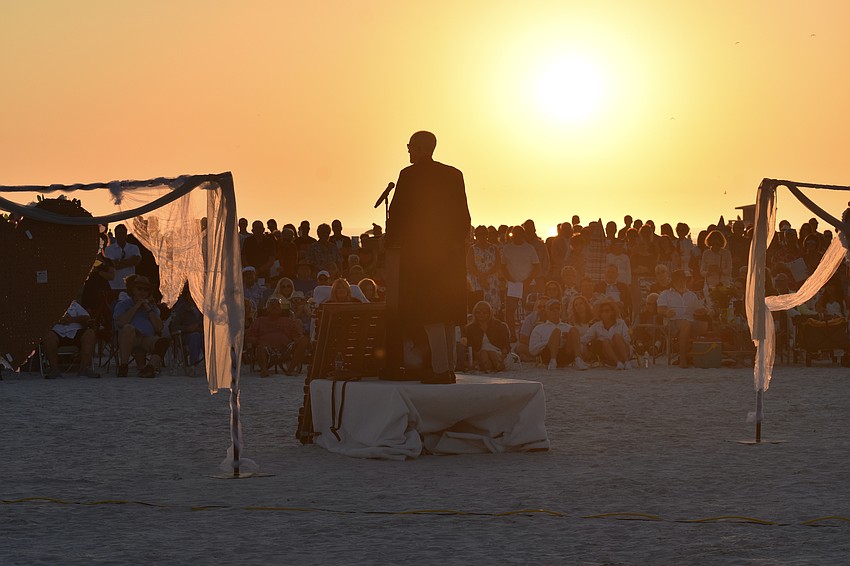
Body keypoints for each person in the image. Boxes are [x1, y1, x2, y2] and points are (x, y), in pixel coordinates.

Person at [385, 130, 471, 383]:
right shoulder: (454, 175)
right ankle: (449, 367)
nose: (408, 150)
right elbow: (463, 217)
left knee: (431, 313)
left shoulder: (409, 176)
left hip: (421, 258)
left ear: (422, 148)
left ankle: (440, 369)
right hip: (450, 258)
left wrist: (391, 242)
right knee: (446, 315)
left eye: (411, 146)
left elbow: (398, 215)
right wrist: (455, 248)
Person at [112, 274, 169, 378]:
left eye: (145, 290)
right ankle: (123, 366)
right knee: (128, 328)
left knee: (163, 341)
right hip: (128, 338)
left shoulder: (151, 308)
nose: (142, 292)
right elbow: (120, 322)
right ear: (132, 290)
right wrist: (136, 306)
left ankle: (149, 368)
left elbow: (159, 328)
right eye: (139, 289)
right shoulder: (123, 304)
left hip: (145, 339)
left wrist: (148, 309)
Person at [245, 296, 309, 377]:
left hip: (285, 349)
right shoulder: (260, 320)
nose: (274, 307)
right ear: (267, 309)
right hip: (266, 349)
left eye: (277, 305)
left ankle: (290, 369)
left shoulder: (288, 321)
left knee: (304, 341)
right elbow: (249, 337)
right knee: (260, 347)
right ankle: (264, 370)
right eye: (272, 305)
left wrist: (297, 341)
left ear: (281, 309)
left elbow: (297, 336)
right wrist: (258, 341)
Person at [658, 270, 708, 368]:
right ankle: (683, 359)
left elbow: (696, 309)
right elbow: (660, 309)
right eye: (679, 280)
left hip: (690, 320)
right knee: (685, 324)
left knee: (704, 324)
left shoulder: (692, 295)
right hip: (672, 322)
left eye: (683, 280)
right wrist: (666, 312)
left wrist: (701, 311)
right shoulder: (665, 294)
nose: (681, 283)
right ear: (674, 282)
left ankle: (698, 353)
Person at [500, 225, 540, 341]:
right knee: (510, 311)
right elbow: (503, 266)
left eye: (519, 234)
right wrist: (509, 279)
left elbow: (537, 267)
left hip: (528, 284)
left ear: (523, 235)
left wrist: (527, 281)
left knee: (530, 311)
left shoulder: (529, 248)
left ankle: (529, 335)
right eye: (515, 234)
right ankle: (512, 334)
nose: (517, 237)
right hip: (512, 285)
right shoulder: (507, 248)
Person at [42, 300, 100, 379]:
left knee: (90, 334)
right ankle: (54, 369)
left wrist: (73, 319)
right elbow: (42, 319)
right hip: (57, 332)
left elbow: (87, 317)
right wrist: (57, 320)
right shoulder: (49, 305)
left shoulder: (74, 304)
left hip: (75, 332)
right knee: (48, 336)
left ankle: (84, 369)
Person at [528, 299, 589, 370]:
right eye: (552, 308)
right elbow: (532, 350)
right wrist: (551, 342)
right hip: (548, 355)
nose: (555, 310)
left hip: (566, 354)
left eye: (557, 308)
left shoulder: (567, 327)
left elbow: (579, 345)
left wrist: (568, 339)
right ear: (547, 311)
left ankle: (578, 359)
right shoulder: (539, 328)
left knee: (574, 330)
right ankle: (553, 361)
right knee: (556, 332)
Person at [584, 300, 633, 370]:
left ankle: (627, 362)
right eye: (602, 311)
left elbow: (627, 339)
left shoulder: (621, 323)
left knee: (616, 336)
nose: (604, 313)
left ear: (612, 312)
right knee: (605, 341)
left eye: (607, 311)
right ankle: (618, 363)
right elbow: (586, 338)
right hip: (609, 355)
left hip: (624, 352)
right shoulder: (596, 326)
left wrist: (615, 343)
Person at [464, 301, 511, 372]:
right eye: (478, 312)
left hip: (496, 349)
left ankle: (497, 364)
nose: (481, 314)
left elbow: (505, 342)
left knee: (492, 354)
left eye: (484, 312)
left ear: (490, 313)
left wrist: (504, 354)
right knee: (484, 354)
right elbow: (471, 345)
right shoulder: (470, 328)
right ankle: (487, 366)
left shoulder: (498, 325)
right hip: (480, 351)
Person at [466, 225, 502, 315]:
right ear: (476, 236)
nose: (481, 236)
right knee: (477, 307)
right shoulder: (472, 249)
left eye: (483, 234)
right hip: (477, 283)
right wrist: (481, 277)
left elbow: (497, 264)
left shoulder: (494, 248)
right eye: (479, 234)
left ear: (487, 235)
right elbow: (470, 265)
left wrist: (486, 275)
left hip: (491, 283)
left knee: (492, 308)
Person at [103, 223, 141, 300]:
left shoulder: (133, 248)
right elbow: (112, 265)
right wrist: (129, 261)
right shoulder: (109, 249)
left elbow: (136, 261)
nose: (121, 235)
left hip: (130, 285)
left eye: (122, 233)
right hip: (114, 285)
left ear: (126, 234)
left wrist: (119, 262)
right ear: (115, 235)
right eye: (119, 233)